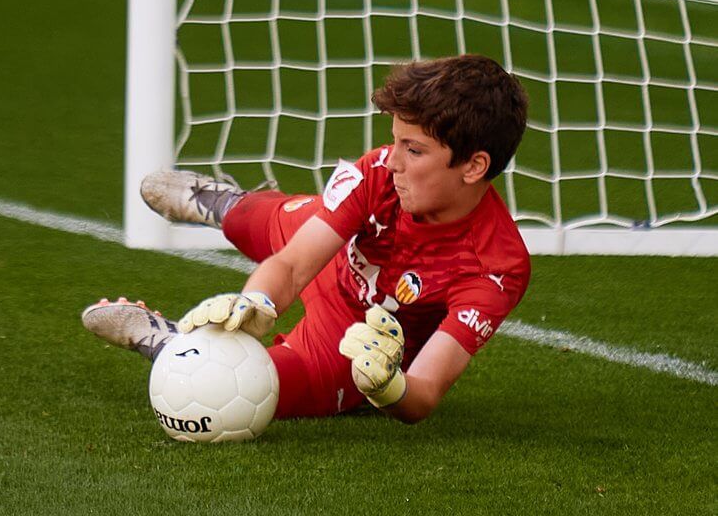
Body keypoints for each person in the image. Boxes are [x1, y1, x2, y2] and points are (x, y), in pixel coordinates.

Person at [83, 54, 531, 424]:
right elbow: (293, 265)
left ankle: (175, 348)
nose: (391, 160)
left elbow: (425, 394)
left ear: (474, 167)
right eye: (394, 141)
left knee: (246, 393)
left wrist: (388, 384)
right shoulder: (378, 172)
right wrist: (256, 303)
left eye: (413, 150)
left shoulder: (496, 267)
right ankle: (223, 205)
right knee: (277, 221)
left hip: (353, 334)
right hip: (332, 256)